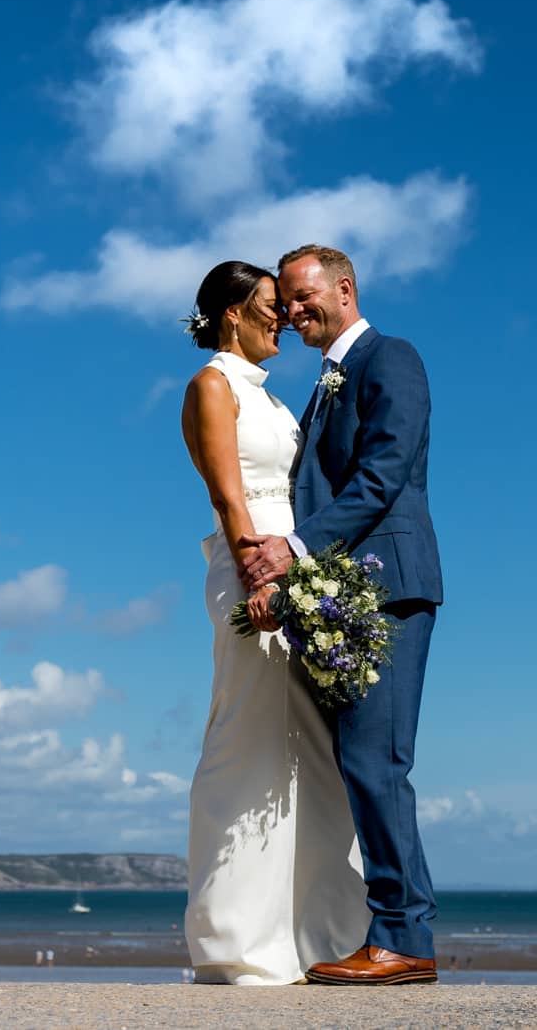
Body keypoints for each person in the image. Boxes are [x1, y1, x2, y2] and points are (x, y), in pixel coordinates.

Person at [240, 244, 444, 987]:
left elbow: (384, 471)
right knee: (361, 764)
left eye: (302, 297)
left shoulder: (392, 358)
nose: (293, 314)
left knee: (376, 760)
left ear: (345, 287)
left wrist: (294, 548)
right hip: (341, 594)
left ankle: (404, 936)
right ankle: (396, 931)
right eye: (286, 304)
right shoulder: (326, 385)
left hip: (388, 585)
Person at [180, 260, 369, 985]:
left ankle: (317, 935)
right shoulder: (212, 386)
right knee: (249, 742)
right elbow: (231, 498)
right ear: (232, 313)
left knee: (311, 753)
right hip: (253, 570)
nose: (282, 318)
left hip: (296, 571)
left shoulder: (277, 399)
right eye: (268, 305)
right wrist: (257, 574)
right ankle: (238, 938)